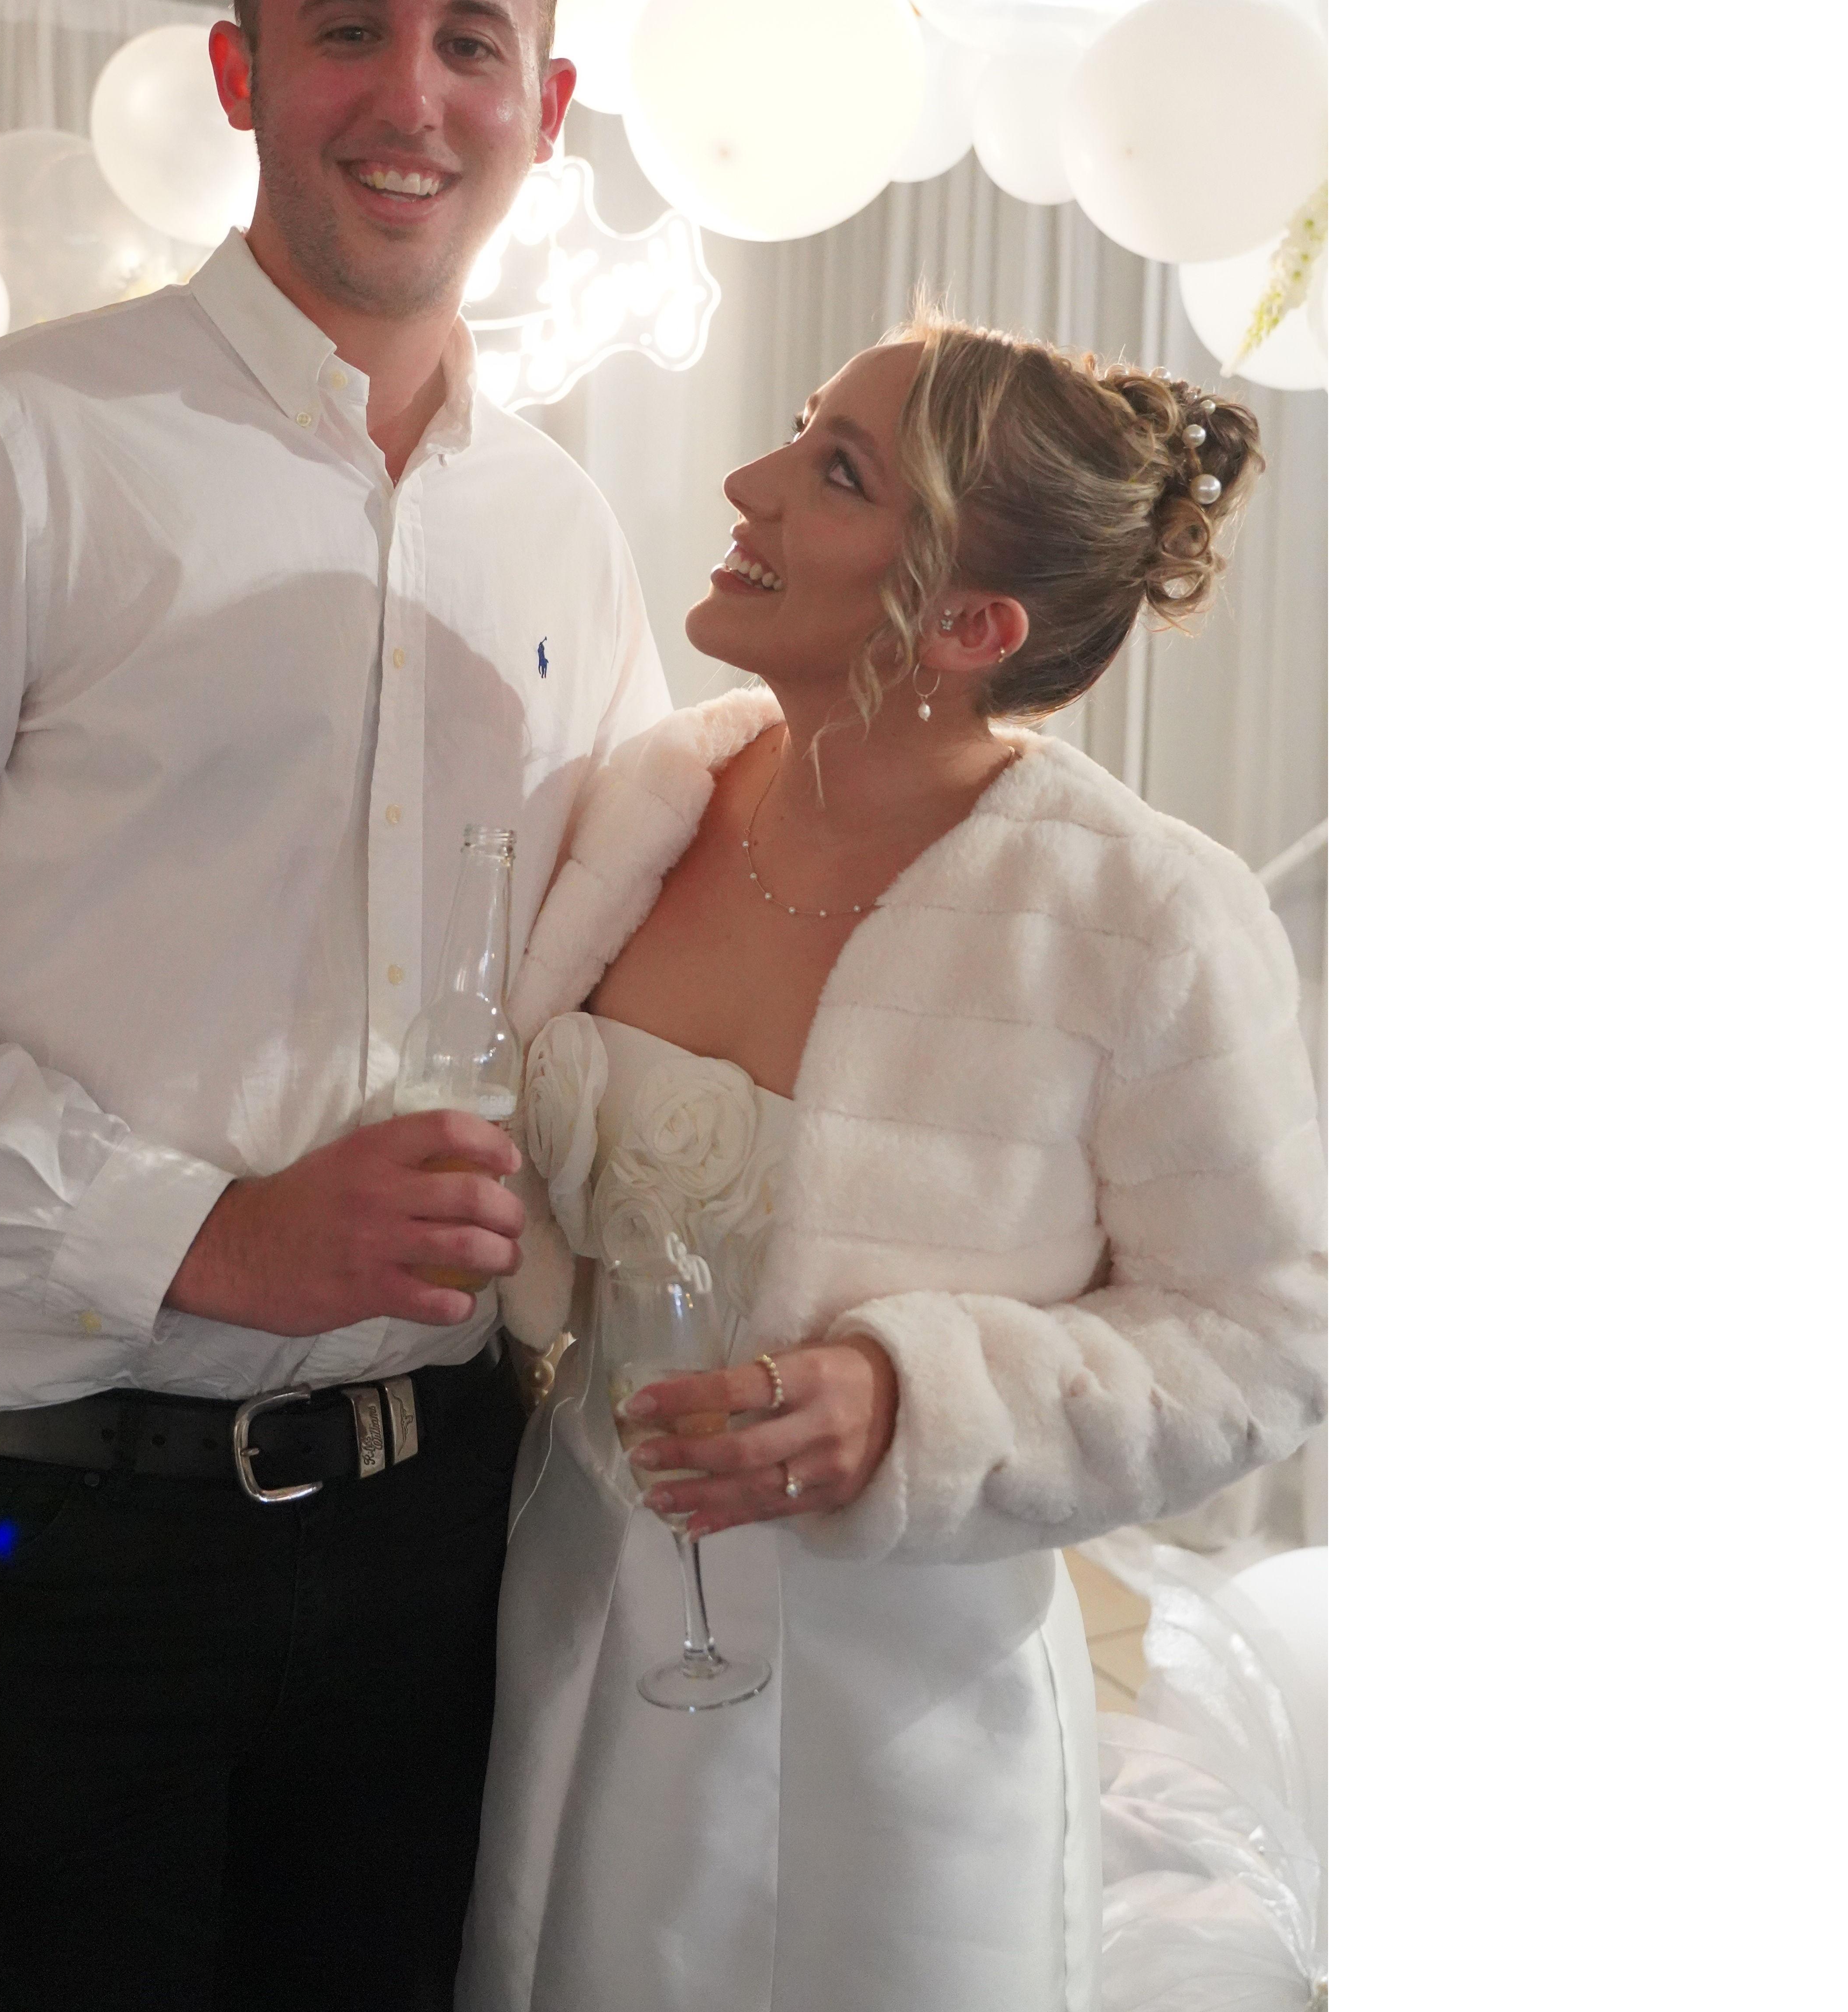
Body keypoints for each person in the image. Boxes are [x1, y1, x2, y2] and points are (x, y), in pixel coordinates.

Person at [0, 0, 672, 2012]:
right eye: (346, 29)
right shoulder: (10, 447)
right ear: (240, 70)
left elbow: (628, 974)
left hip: (444, 1534)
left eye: (471, 44)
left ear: (544, 106)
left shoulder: (564, 531)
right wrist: (197, 1232)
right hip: (37, 1542)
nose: (413, 96)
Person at [459, 317, 1328, 2012]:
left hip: (898, 1726)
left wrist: (907, 1400)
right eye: (802, 429)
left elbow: (1270, 1340)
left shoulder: (1139, 917)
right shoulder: (647, 799)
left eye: (836, 473)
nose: (749, 483)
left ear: (968, 625)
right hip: (574, 1631)